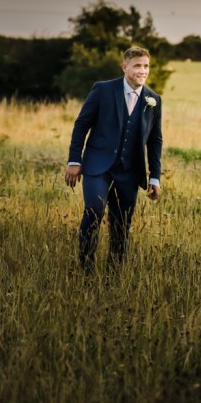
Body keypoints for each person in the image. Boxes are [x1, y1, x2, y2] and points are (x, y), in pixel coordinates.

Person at [65, 46, 163, 273]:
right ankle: (85, 270)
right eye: (137, 65)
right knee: (94, 210)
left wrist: (155, 177)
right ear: (125, 67)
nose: (142, 70)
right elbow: (81, 125)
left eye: (146, 66)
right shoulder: (103, 90)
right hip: (97, 166)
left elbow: (155, 141)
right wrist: (74, 161)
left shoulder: (153, 100)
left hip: (129, 171)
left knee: (122, 224)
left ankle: (114, 274)